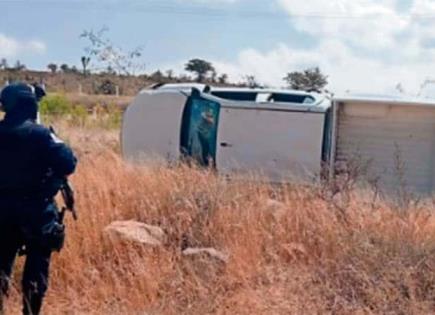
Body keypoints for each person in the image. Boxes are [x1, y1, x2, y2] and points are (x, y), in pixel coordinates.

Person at [0, 83, 77, 315]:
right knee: (36, 270)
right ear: (30, 104)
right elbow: (68, 163)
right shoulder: (42, 135)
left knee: (1, 267)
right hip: (37, 211)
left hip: (2, 211)